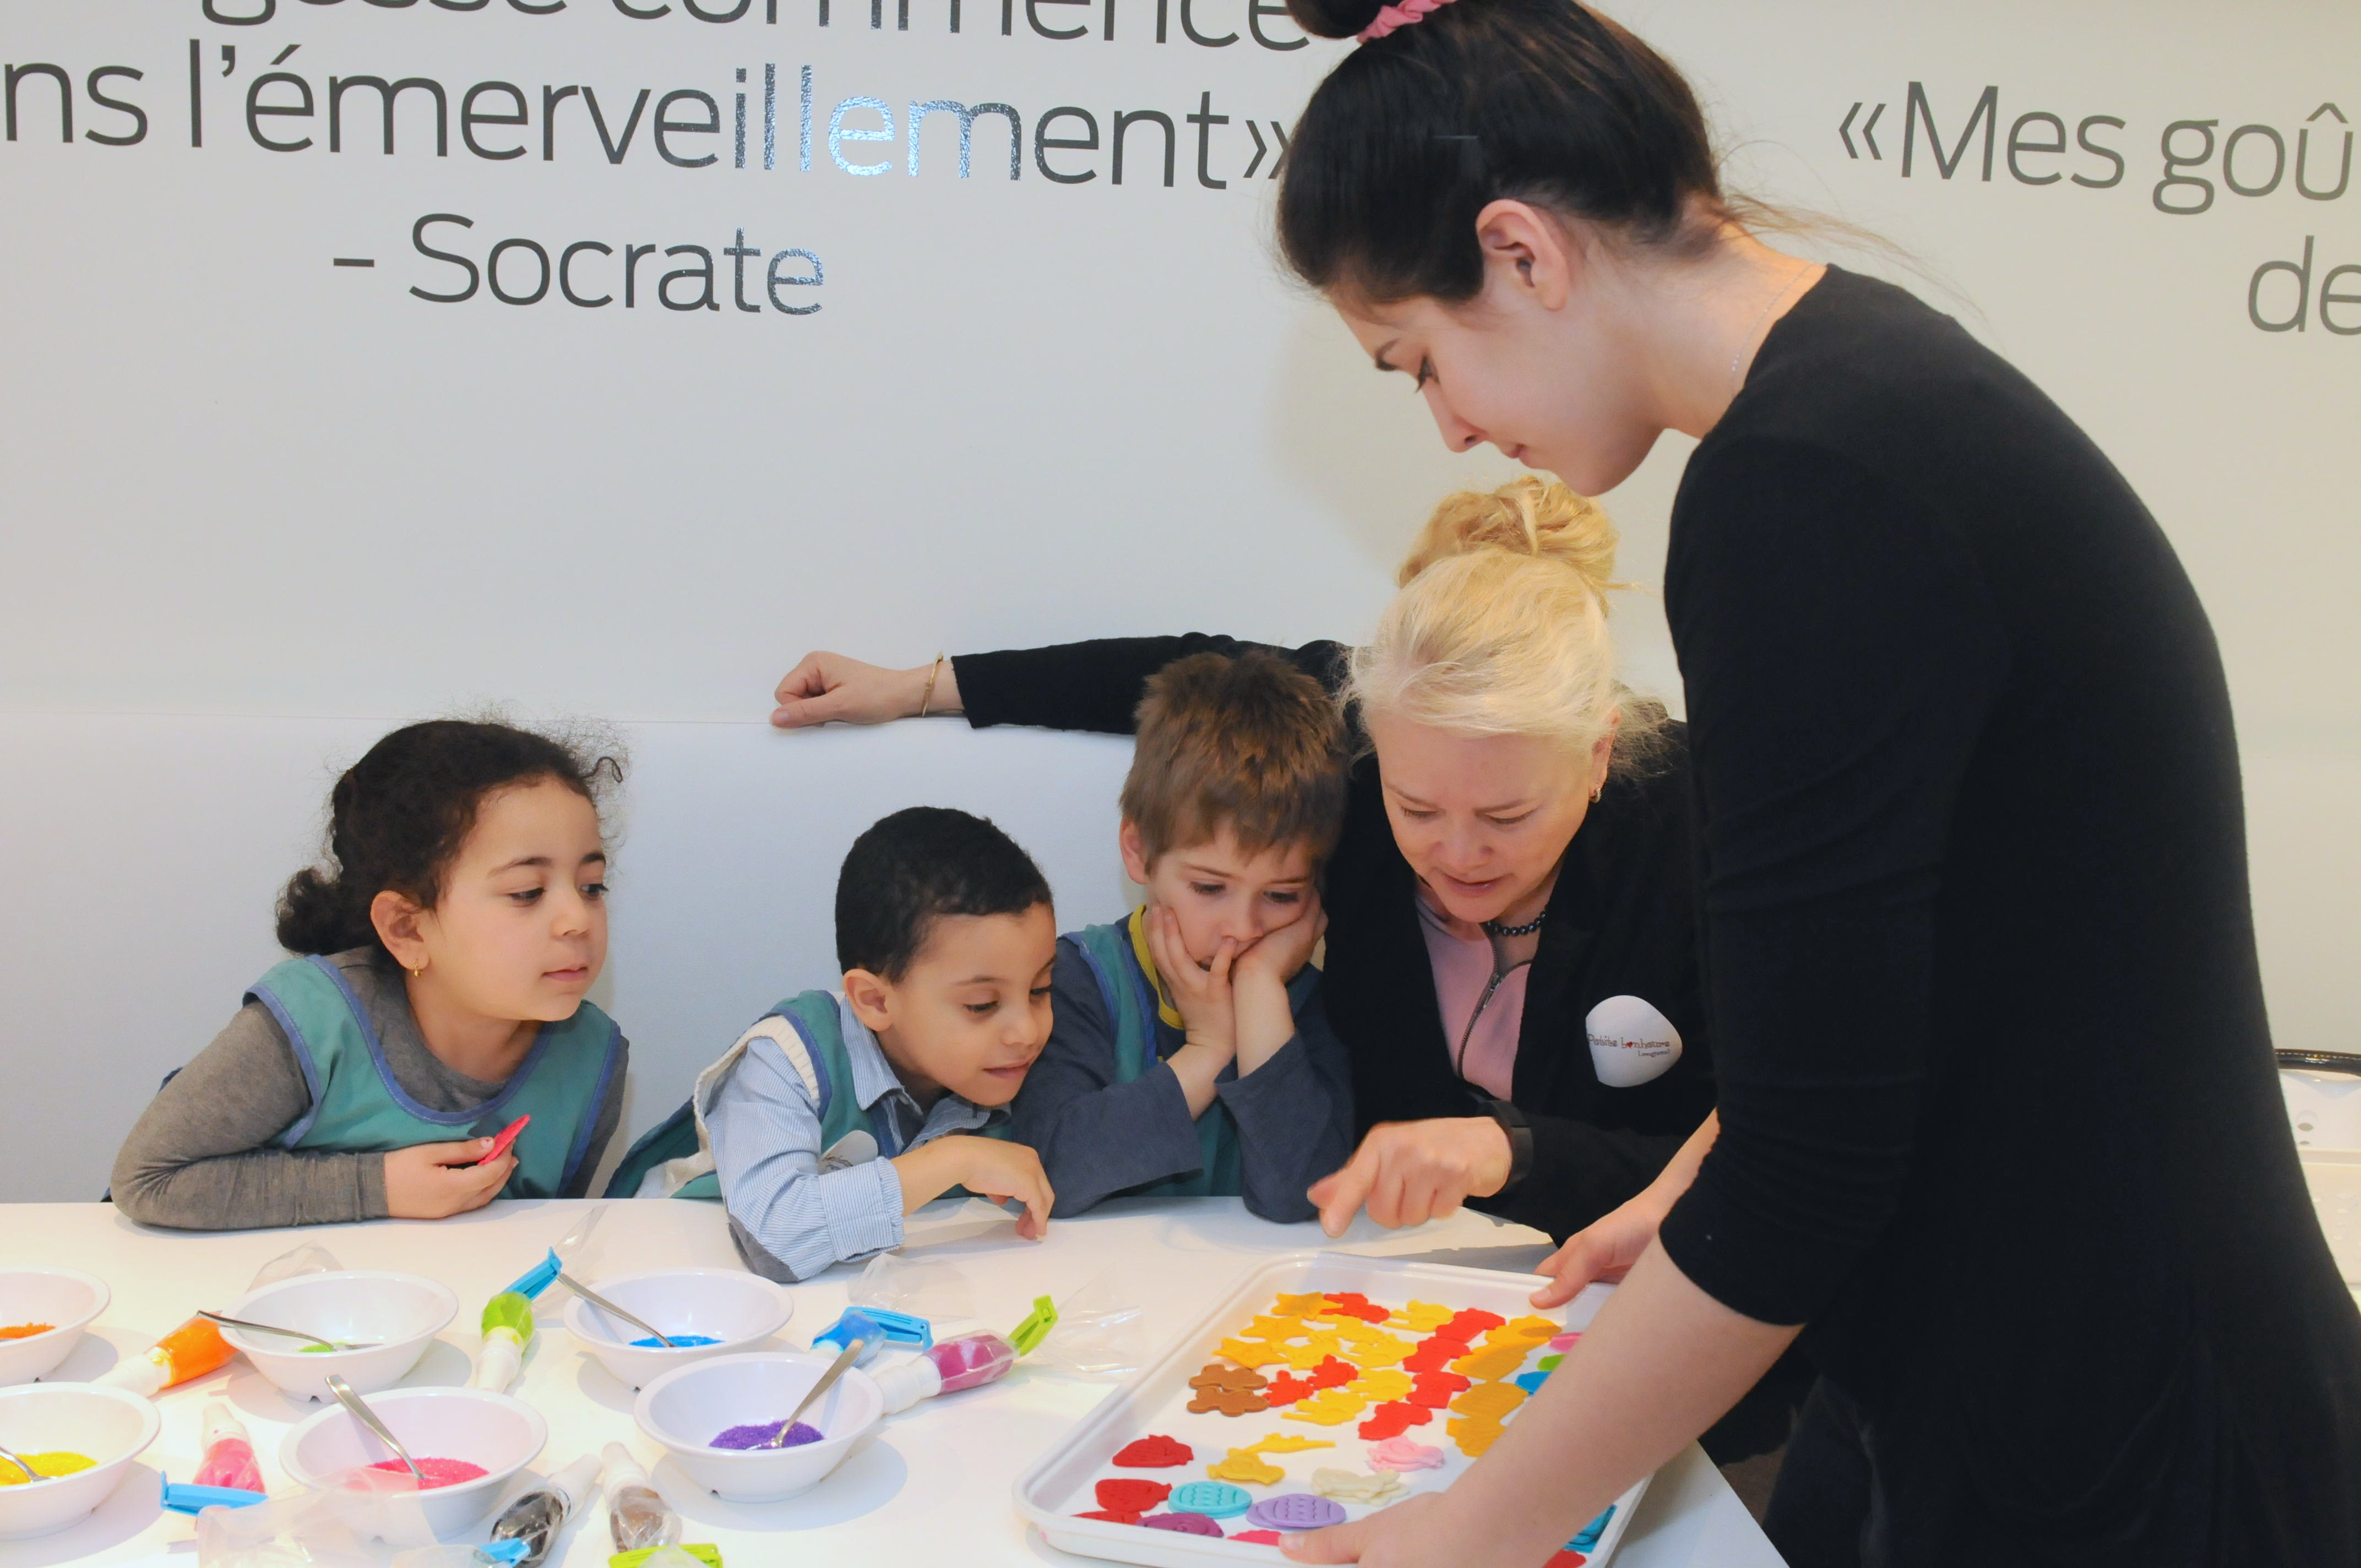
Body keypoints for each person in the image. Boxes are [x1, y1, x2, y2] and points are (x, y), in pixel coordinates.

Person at [1218, 0, 2359, 1563]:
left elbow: (1810, 1177)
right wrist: (1690, 1172)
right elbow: (1908, 993)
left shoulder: (1800, 485)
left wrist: (1467, 1535)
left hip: (2114, 1438)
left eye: (1424, 358)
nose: (1454, 425)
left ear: (1525, 253)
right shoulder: (1873, 391)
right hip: (2057, 1377)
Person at [771, 477, 1713, 1250]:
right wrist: (924, 687)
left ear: (1595, 756)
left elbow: (1766, 1149)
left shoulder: (1692, 830)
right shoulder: (1361, 736)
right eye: (1414, 806)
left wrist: (1516, 1151)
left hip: (1650, 1271)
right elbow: (1174, 671)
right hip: (1418, 1272)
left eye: (1507, 815)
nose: (1455, 854)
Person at [111, 720, 630, 1228]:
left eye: (592, 887)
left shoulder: (591, 1054)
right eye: (527, 892)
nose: (577, 920)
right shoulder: (310, 1026)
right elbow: (149, 1180)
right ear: (407, 927)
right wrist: (381, 1188)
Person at [625, 807, 1058, 1283]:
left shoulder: (998, 1065)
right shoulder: (788, 1058)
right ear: (873, 1000)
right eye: (982, 1004)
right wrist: (955, 1159)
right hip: (673, 1284)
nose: (1027, 1031)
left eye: (1040, 989)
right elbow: (776, 1240)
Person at [1009, 649, 1356, 1221]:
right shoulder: (1075, 978)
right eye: (1209, 888)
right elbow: (1050, 1176)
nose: (1242, 930)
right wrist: (1208, 1050)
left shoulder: (1301, 998)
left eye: (1281, 895)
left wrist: (1262, 988)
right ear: (1139, 851)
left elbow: (1305, 1195)